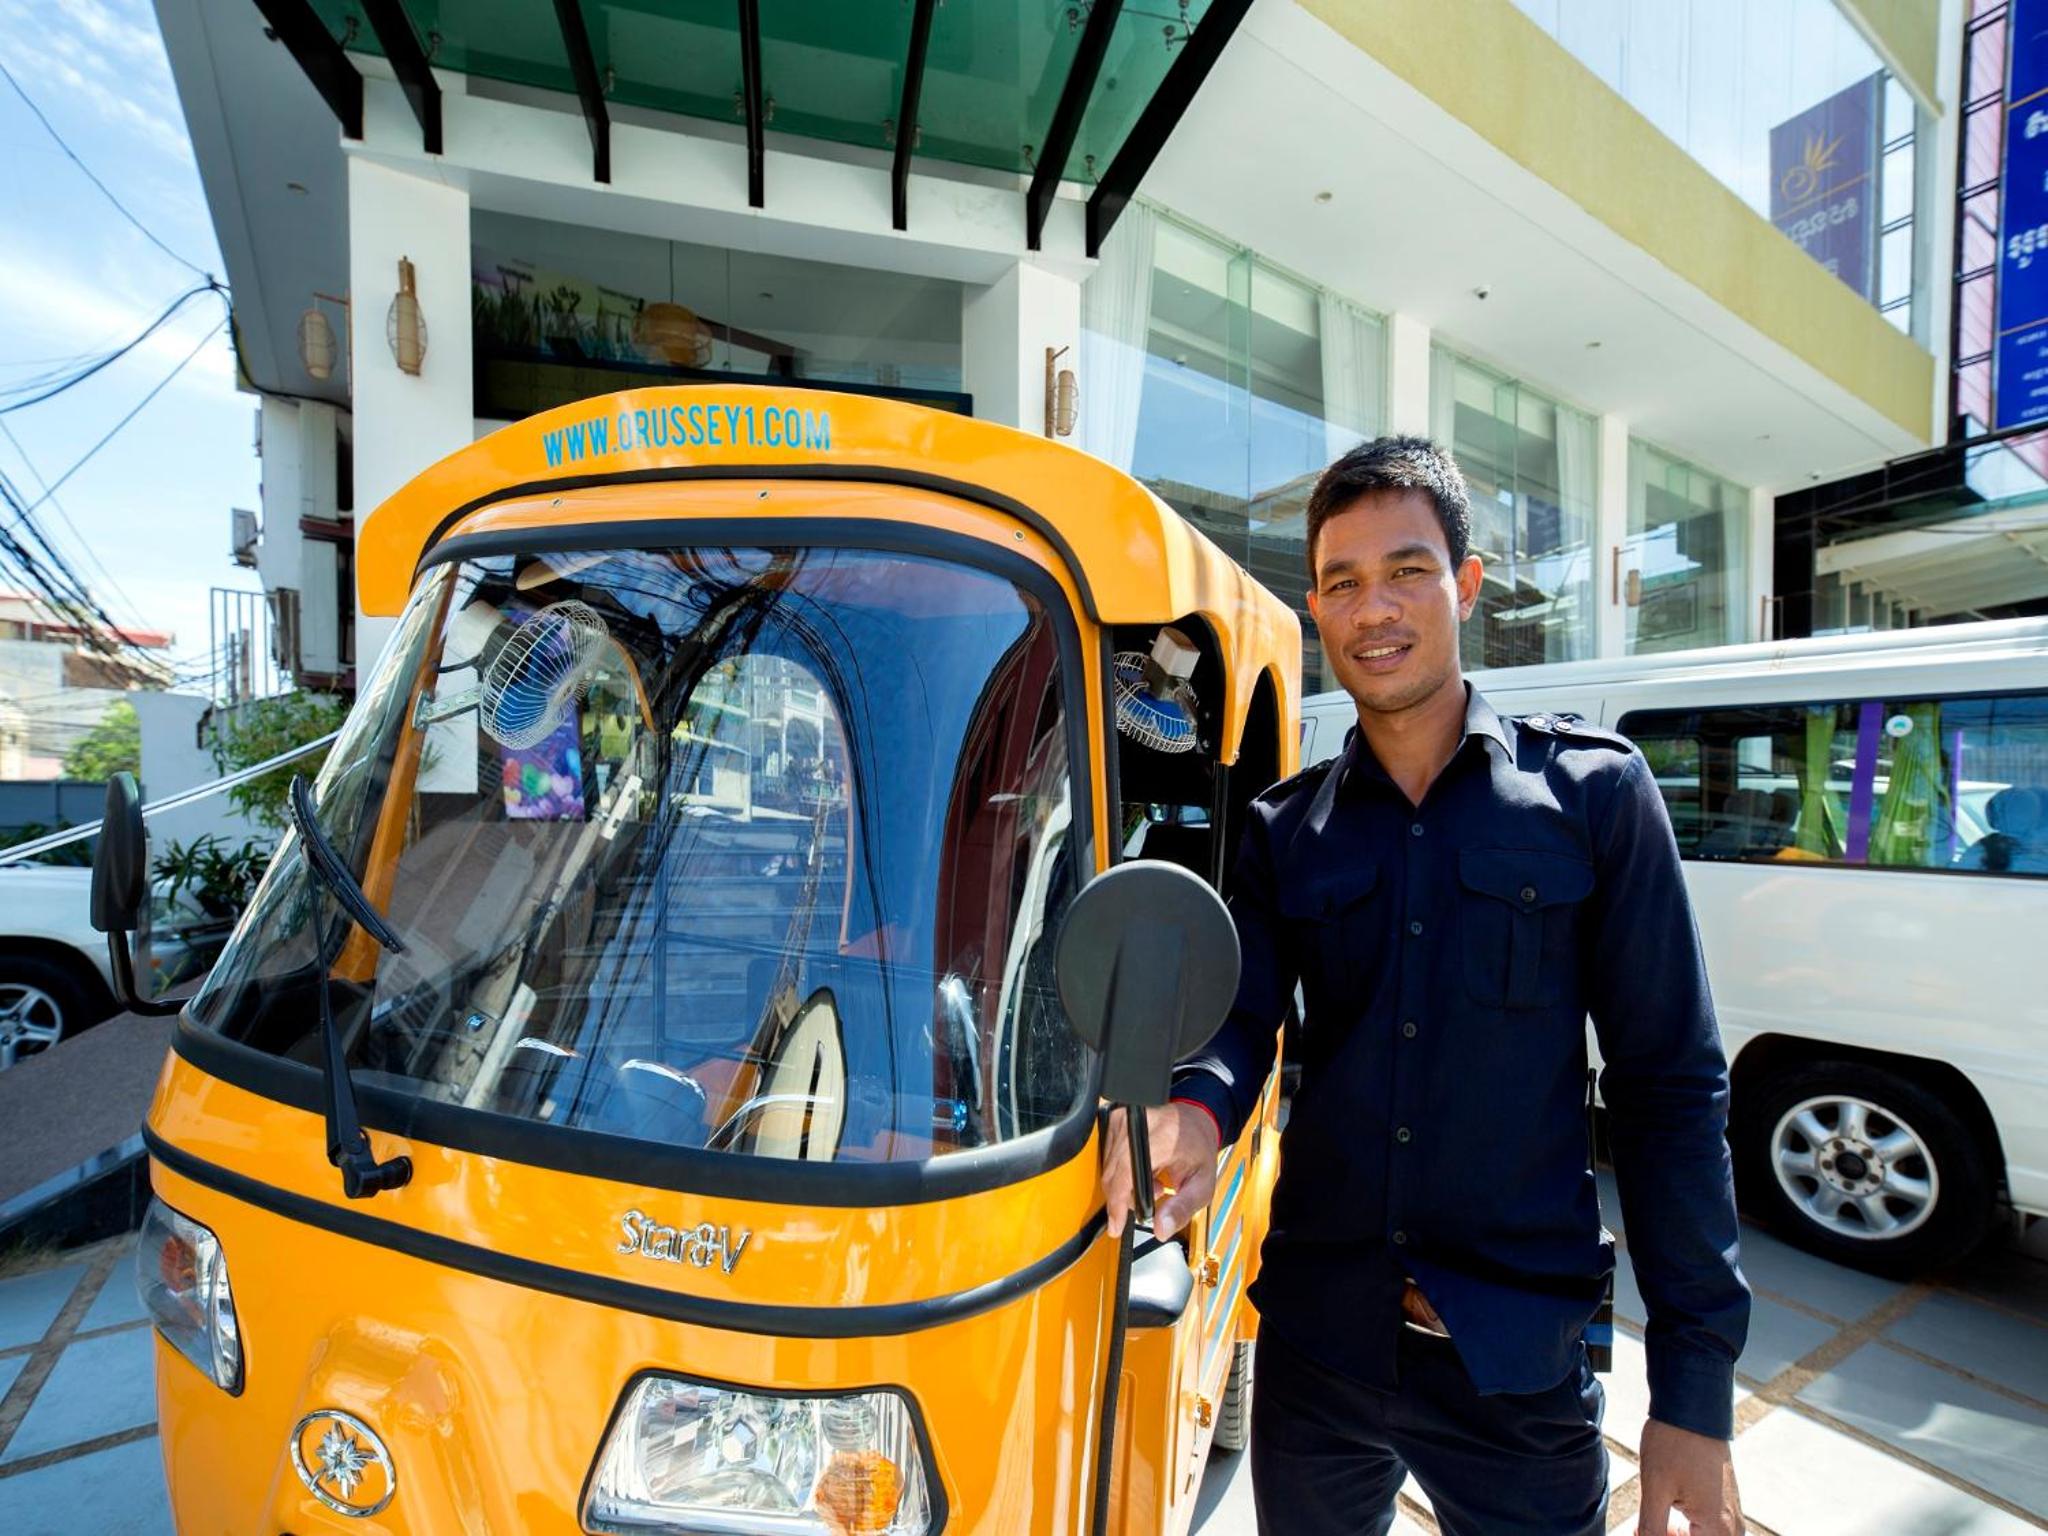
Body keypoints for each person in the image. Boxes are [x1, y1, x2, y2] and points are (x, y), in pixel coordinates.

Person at [1102, 437, 1750, 1536]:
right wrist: (1195, 1114)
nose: (1375, 610)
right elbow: (1240, 1019)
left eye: (1407, 571)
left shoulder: (1592, 797)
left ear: (1466, 584)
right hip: (1316, 1353)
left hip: (1513, 1366)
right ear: (1317, 606)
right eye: (1344, 582)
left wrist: (1693, 1393)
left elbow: (1669, 1093)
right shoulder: (1283, 828)